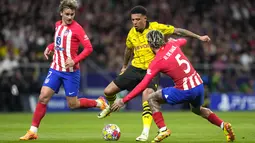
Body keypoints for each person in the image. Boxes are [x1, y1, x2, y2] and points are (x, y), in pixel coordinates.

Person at [98, 5, 211, 141]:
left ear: (145, 19)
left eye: (137, 19)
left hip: (153, 68)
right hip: (135, 67)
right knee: (108, 91)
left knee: (148, 95)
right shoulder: (131, 33)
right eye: (132, 20)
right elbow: (128, 50)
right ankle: (111, 106)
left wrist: (198, 37)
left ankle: (145, 132)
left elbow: (178, 32)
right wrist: (124, 66)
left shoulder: (156, 27)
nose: (134, 22)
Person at [111, 30, 235, 142]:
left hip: (185, 90)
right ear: (161, 40)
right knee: (197, 109)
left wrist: (124, 100)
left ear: (150, 44)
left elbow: (143, 84)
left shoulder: (157, 62)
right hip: (198, 85)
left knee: (151, 98)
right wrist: (173, 40)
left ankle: (163, 129)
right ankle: (224, 125)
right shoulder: (172, 44)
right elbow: (184, 40)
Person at [19, 0, 108, 140]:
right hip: (55, 68)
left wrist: (75, 60)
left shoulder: (77, 29)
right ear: (61, 13)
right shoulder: (57, 25)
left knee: (73, 104)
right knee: (43, 97)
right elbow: (59, 42)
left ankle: (99, 103)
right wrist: (50, 46)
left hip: (71, 72)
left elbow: (89, 48)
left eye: (72, 14)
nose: (70, 17)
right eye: (67, 14)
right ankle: (33, 131)